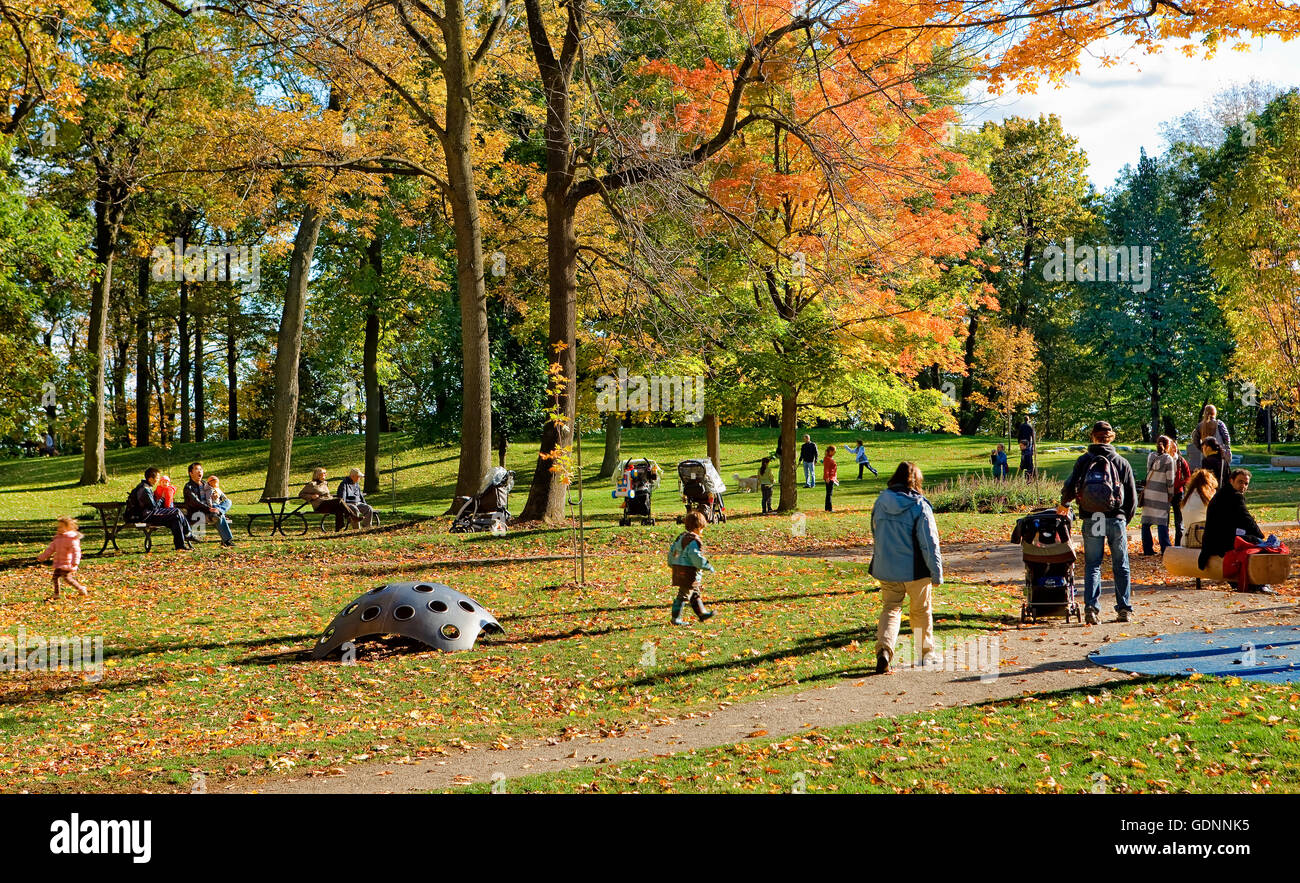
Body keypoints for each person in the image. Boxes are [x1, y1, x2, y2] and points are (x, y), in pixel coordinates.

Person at [1057, 421, 1137, 624]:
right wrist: (1123, 519)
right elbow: (1132, 498)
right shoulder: (1121, 462)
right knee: (1121, 565)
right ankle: (1124, 609)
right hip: (1115, 518)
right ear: (1111, 438)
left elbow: (1069, 487)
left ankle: (1091, 609)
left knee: (1093, 564)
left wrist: (1064, 505)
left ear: (1093, 437)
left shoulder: (1084, 460)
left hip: (1092, 517)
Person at [870, 462, 943, 674]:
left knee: (891, 609)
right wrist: (937, 572)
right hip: (915, 570)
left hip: (888, 568)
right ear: (916, 480)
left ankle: (884, 649)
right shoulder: (919, 505)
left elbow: (875, 532)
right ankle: (926, 653)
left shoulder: (881, 501)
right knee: (921, 610)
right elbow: (930, 542)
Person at [1199, 469, 1274, 594]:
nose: (1243, 486)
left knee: (1251, 540)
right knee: (1262, 544)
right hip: (1221, 542)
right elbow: (1247, 520)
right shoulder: (1235, 496)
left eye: (1246, 483)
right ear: (1231, 481)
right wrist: (1261, 536)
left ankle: (1245, 582)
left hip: (1212, 542)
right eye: (1240, 482)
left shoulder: (1222, 494)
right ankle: (1261, 583)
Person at [124, 467, 194, 551]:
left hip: (149, 513)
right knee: (176, 511)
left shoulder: (145, 487)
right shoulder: (144, 489)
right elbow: (154, 507)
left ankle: (180, 546)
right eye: (157, 478)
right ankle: (188, 533)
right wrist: (162, 498)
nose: (157, 480)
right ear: (150, 479)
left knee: (176, 519)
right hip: (147, 516)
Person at [667, 510, 716, 624]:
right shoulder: (693, 540)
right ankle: (675, 618)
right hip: (688, 571)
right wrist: (707, 565)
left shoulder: (681, 537)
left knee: (694, 593)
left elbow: (672, 551)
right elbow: (695, 556)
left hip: (679, 568)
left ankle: (702, 614)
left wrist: (671, 563)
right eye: (702, 528)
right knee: (684, 594)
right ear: (698, 527)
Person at [182, 462, 234, 547]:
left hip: (213, 508)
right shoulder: (188, 487)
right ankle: (227, 541)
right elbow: (195, 502)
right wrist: (209, 509)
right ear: (191, 473)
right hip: (198, 513)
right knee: (217, 516)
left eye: (201, 469)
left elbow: (219, 495)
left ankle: (219, 511)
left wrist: (217, 496)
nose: (200, 471)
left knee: (228, 501)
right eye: (196, 469)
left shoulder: (206, 484)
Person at [1140, 435, 1176, 556]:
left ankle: (1147, 549)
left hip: (1149, 492)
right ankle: (1165, 548)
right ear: (1168, 446)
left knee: (1146, 521)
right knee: (1161, 521)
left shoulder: (1151, 456)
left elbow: (1148, 472)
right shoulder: (1168, 459)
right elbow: (1170, 479)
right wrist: (1171, 494)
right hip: (1161, 493)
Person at [36, 515, 86, 600]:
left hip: (68, 563)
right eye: (58, 527)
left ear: (68, 527)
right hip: (59, 563)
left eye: (61, 527)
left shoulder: (71, 539)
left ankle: (81, 588)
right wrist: (42, 557)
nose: (59, 528)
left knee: (67, 578)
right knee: (55, 578)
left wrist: (75, 562)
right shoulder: (57, 539)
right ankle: (57, 594)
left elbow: (76, 551)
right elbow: (50, 549)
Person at [1179, 469, 1218, 548]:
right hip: (1201, 540)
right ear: (1209, 485)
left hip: (1186, 539)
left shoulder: (1188, 498)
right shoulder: (1207, 500)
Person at [1170, 439, 1191, 545]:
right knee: (1164, 521)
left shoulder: (1181, 460)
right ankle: (1165, 545)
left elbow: (1188, 476)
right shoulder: (1164, 459)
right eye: (1171, 446)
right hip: (1165, 493)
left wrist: (1180, 483)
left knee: (1179, 521)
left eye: (1175, 446)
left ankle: (1178, 544)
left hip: (1178, 493)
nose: (1173, 449)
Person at [823, 445, 839, 512]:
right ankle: (829, 508)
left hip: (832, 478)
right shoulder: (827, 459)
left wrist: (835, 478)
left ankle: (827, 508)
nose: (834, 453)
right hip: (830, 478)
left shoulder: (829, 458)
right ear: (830, 451)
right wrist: (827, 477)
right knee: (829, 493)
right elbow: (826, 469)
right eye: (834, 451)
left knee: (829, 493)